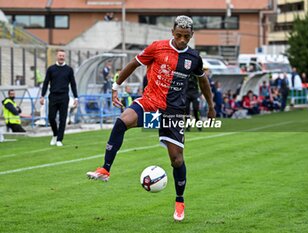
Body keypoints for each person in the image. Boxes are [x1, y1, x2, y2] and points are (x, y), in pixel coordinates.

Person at [86, 15, 215, 222]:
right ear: (172, 32)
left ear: (192, 36)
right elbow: (133, 64)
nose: (182, 40)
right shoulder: (157, 48)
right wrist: (115, 87)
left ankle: (179, 202)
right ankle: (105, 169)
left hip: (173, 113)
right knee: (123, 121)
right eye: (179, 35)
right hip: (151, 104)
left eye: (186, 36)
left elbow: (203, 82)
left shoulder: (194, 58)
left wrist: (211, 106)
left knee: (177, 160)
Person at [40, 49, 78, 146]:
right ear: (57, 56)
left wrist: (76, 98)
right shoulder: (51, 69)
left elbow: (73, 84)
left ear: (65, 57)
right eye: (60, 55)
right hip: (53, 96)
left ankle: (59, 140)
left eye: (63, 56)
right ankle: (55, 134)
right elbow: (45, 83)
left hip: (64, 96)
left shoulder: (69, 70)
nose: (61, 57)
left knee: (63, 119)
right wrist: (42, 96)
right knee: (51, 118)